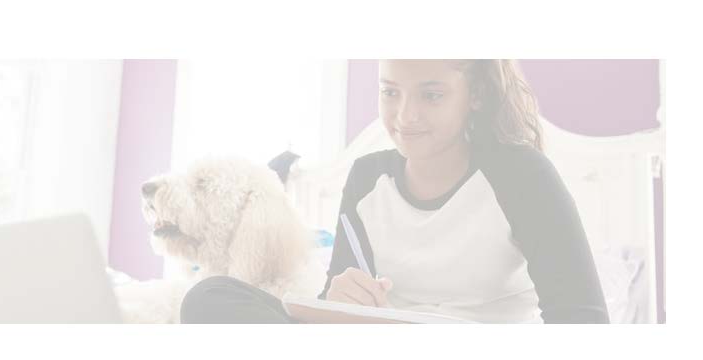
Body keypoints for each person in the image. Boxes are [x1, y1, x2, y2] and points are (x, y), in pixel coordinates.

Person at [180, 59, 609, 324]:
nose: (406, 116)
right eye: (390, 92)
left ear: (474, 94)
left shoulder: (521, 175)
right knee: (210, 296)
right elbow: (339, 309)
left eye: (432, 95)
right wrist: (337, 298)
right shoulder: (367, 178)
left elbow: (582, 321)